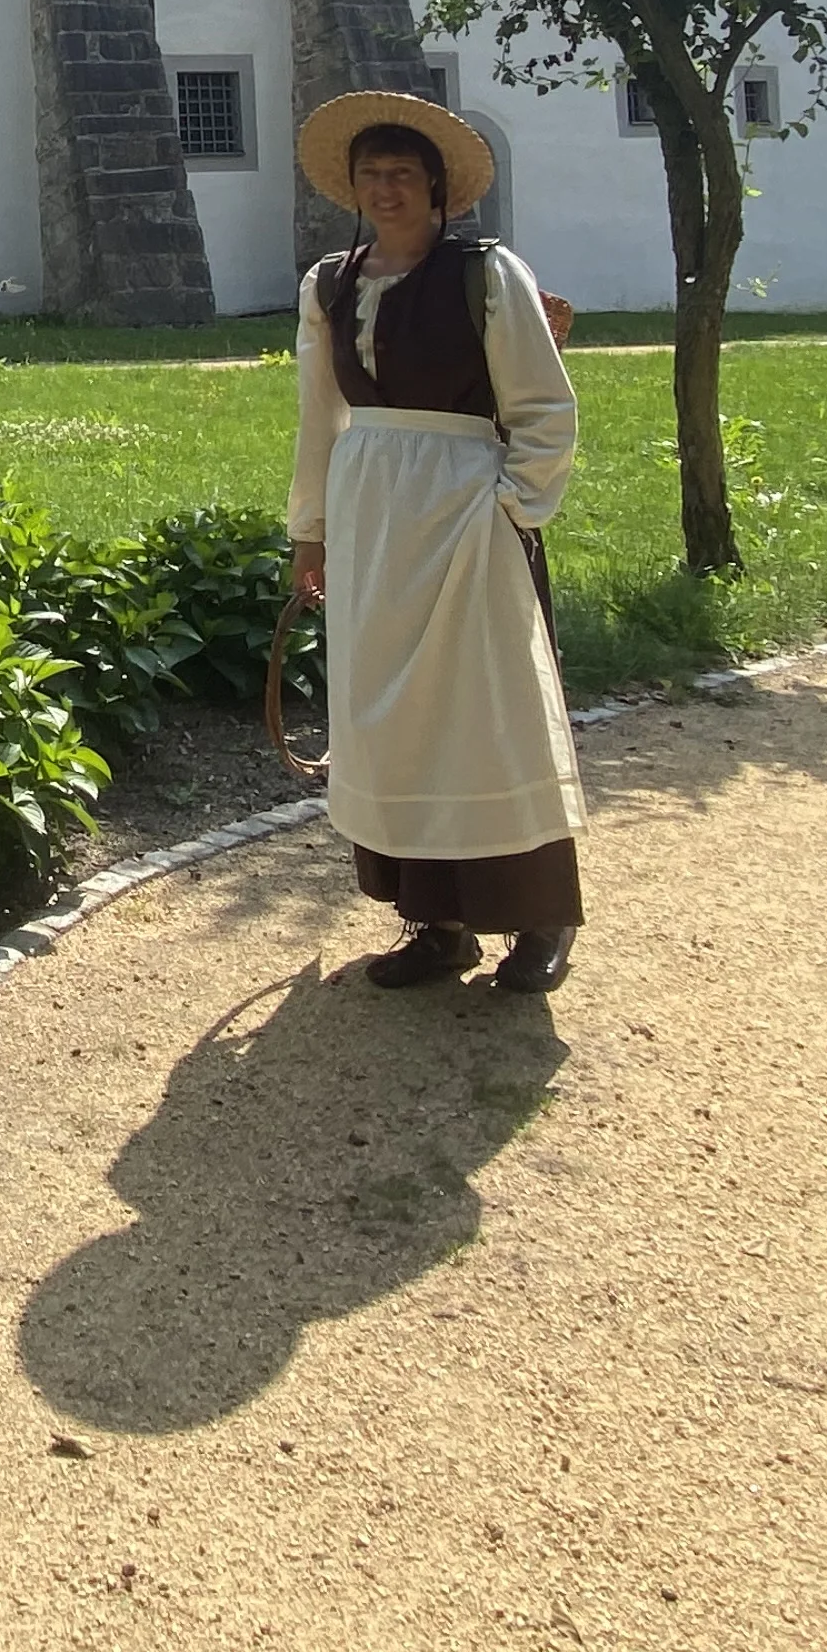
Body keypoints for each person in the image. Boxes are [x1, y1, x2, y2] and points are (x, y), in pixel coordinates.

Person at [282, 90, 586, 994]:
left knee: (489, 715)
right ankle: (437, 924)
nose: (386, 190)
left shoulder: (488, 276)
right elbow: (317, 417)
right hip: (372, 515)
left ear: (437, 187)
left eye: (403, 175)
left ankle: (539, 919)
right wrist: (312, 532)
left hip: (467, 519)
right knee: (393, 722)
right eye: (371, 175)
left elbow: (544, 405)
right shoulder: (330, 284)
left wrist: (513, 510)